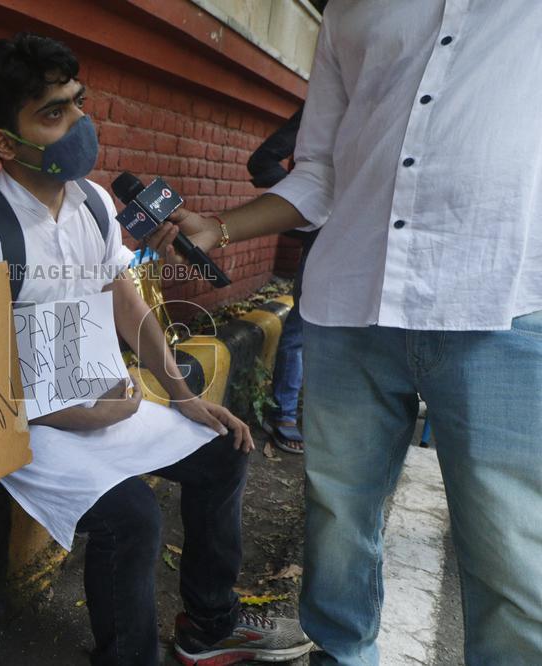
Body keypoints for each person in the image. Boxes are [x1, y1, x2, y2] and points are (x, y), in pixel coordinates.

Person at [147, 3, 542, 664]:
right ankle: (340, 654)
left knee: (510, 552)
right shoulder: (354, 9)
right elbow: (321, 170)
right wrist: (221, 227)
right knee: (336, 520)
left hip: (503, 301)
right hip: (350, 298)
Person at [0, 33, 313, 666]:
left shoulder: (95, 203)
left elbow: (127, 301)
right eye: (53, 113)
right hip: (24, 424)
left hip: (108, 404)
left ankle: (208, 626)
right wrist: (61, 414)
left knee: (222, 450)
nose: (78, 124)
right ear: (4, 143)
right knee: (133, 518)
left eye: (78, 103)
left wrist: (181, 396)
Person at [246, 106, 316, 454]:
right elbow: (263, 163)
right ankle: (284, 413)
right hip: (328, 241)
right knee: (301, 332)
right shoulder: (326, 106)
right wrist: (314, 211)